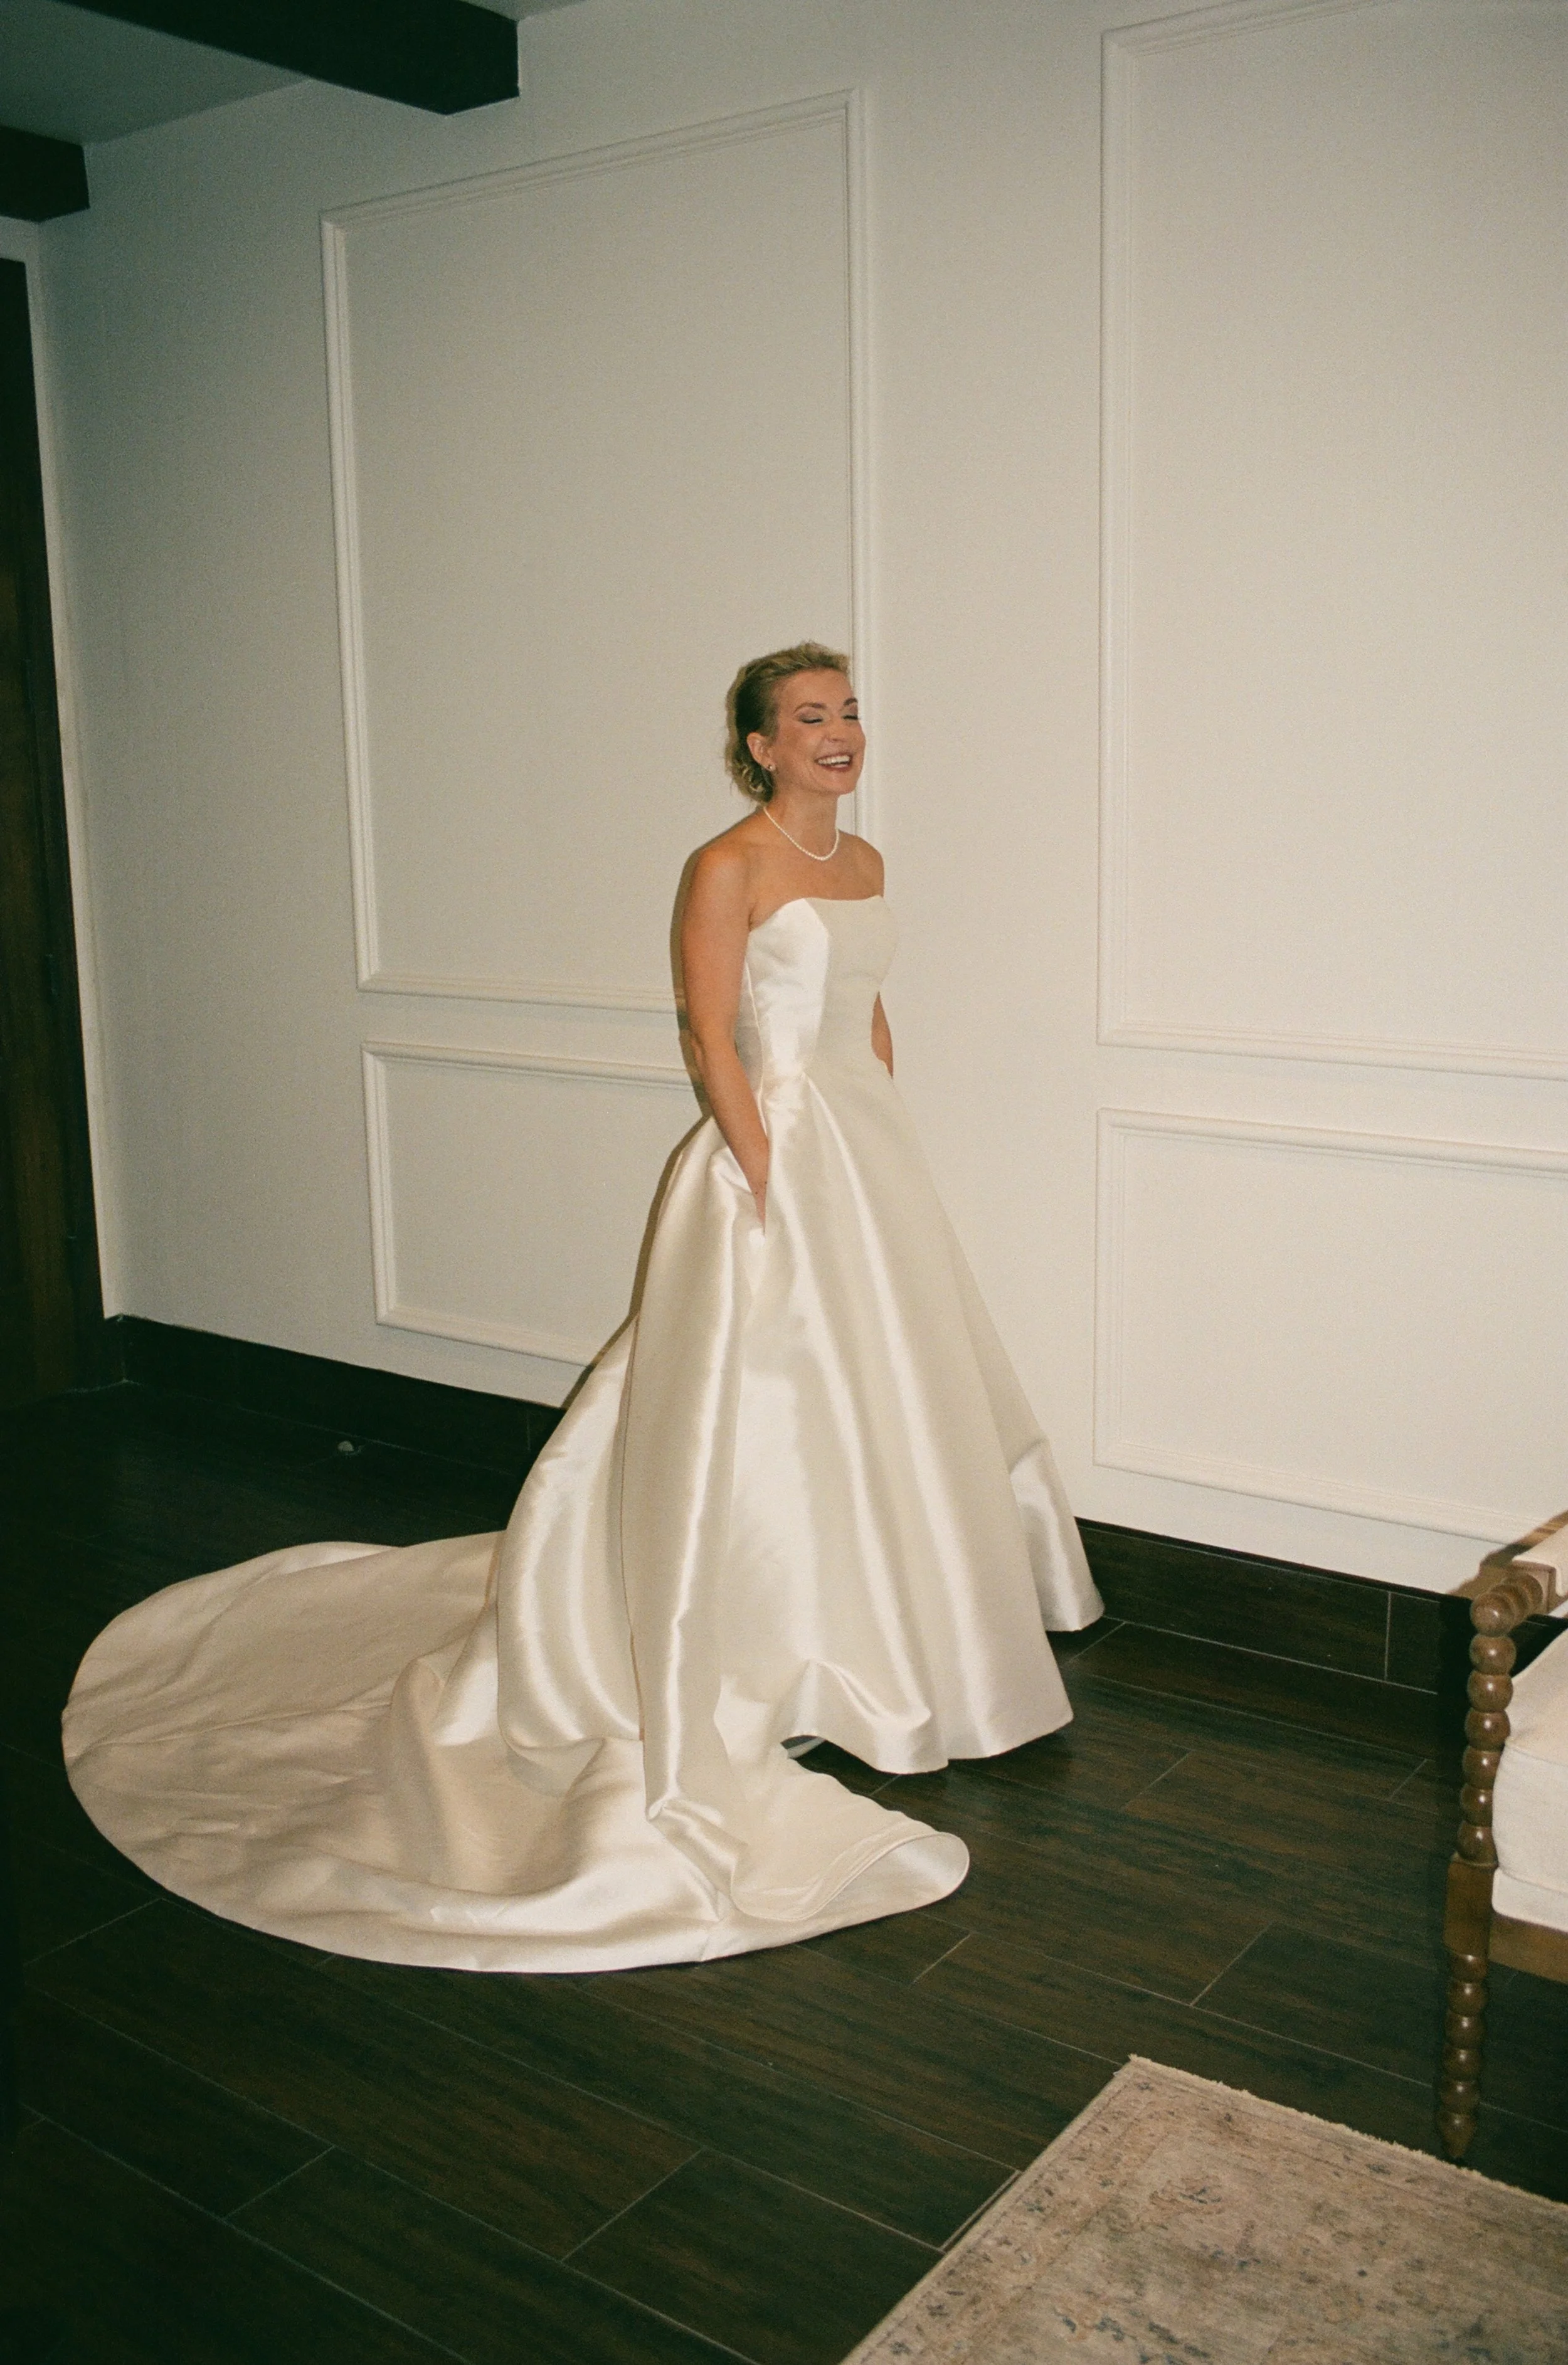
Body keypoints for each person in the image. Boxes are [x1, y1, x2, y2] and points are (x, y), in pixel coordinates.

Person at [63, 642, 1102, 1974]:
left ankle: (887, 1637)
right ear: (760, 745)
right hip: (773, 1155)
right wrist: (762, 1167)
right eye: (808, 718)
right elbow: (705, 1028)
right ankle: (753, 1645)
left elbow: (865, 1010)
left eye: (847, 712)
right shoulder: (724, 866)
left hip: (864, 1152)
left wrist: (886, 1134)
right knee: (759, 1409)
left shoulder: (868, 864)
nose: (839, 733)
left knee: (882, 1397)